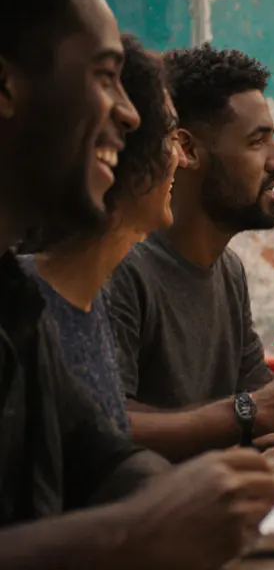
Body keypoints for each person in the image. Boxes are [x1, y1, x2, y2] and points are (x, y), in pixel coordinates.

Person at [0, 0, 274, 569]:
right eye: (105, 78)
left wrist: (235, 502)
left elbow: (105, 458)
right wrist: (135, 533)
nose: (129, 116)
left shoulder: (16, 301)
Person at [105, 42, 274, 460]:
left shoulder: (227, 269)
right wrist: (251, 413)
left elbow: (257, 394)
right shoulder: (121, 268)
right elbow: (105, 424)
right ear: (187, 150)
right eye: (257, 142)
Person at [20, 34, 183, 437]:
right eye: (170, 136)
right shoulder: (26, 307)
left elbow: (103, 463)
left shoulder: (89, 300)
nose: (178, 158)